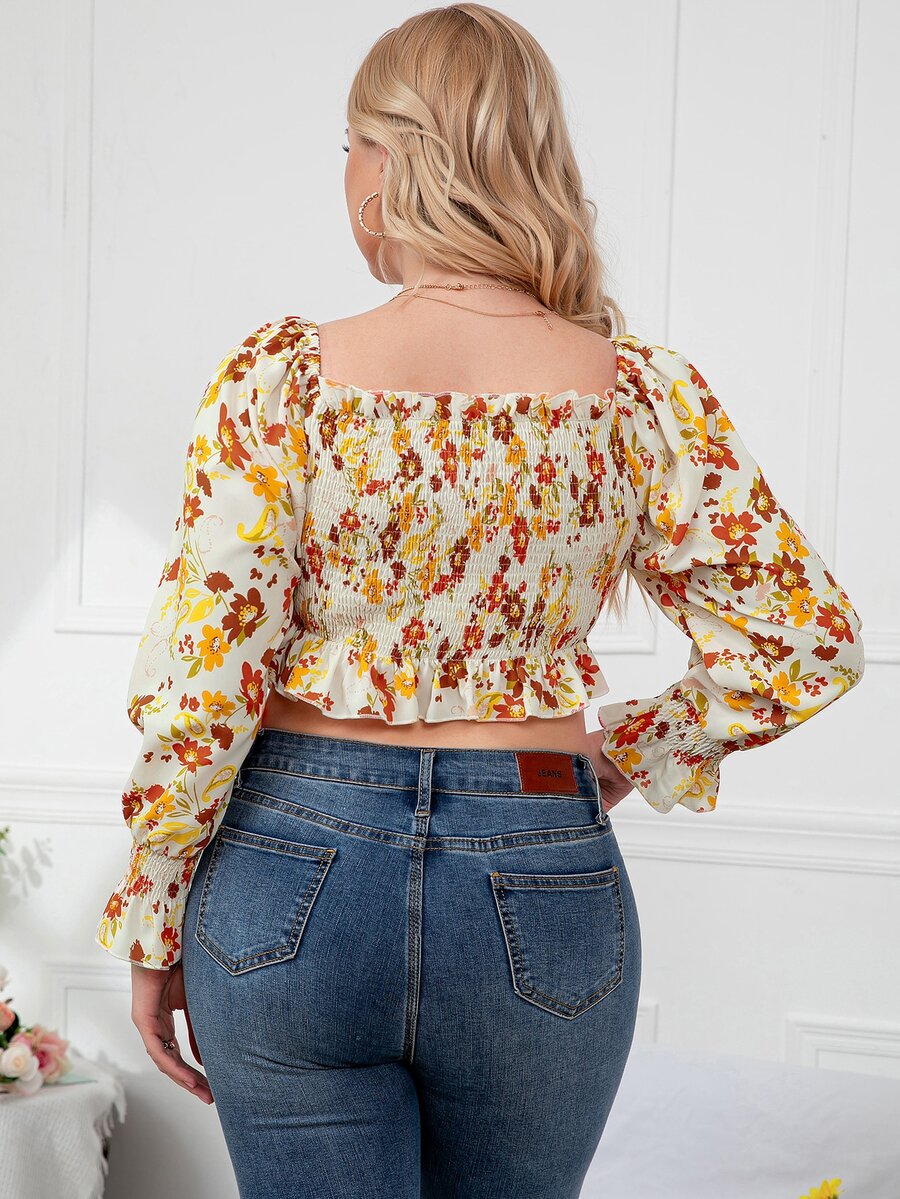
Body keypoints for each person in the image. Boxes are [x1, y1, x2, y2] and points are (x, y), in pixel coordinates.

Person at [93, 5, 865, 1196]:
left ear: (392, 164)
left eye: (349, 144)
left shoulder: (280, 381)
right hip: (541, 861)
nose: (344, 173)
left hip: (290, 867)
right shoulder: (637, 396)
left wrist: (154, 909)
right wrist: (626, 753)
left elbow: (210, 675)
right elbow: (805, 638)